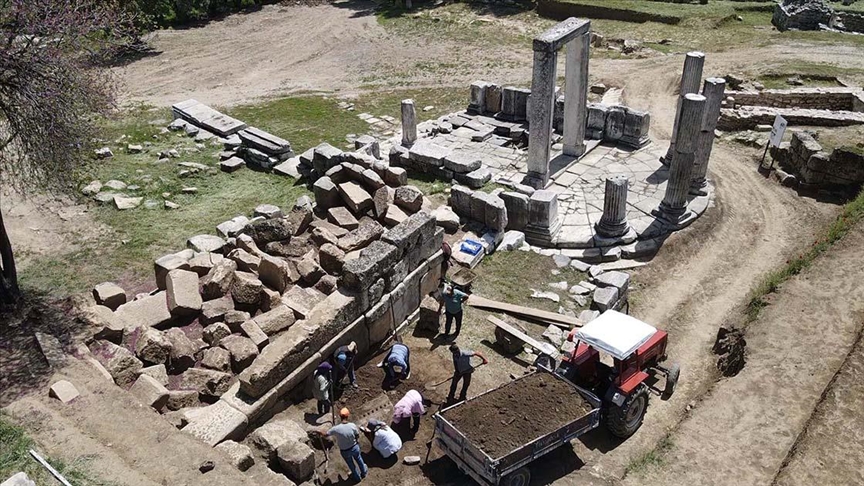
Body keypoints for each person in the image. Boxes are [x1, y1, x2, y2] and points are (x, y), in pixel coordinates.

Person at [319, 408, 368, 482]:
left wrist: (319, 431)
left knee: (351, 464)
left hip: (345, 451)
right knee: (359, 459)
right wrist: (356, 442)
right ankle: (364, 472)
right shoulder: (352, 425)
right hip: (354, 447)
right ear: (348, 416)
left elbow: (326, 434)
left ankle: (357, 478)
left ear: (340, 416)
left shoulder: (336, 429)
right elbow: (357, 435)